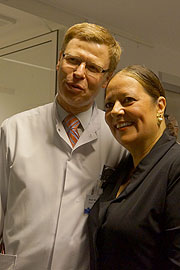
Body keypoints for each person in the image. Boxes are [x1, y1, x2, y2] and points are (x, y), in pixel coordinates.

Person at [0, 22, 127, 270]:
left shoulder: (117, 140)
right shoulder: (14, 129)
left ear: (106, 79)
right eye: (73, 60)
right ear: (59, 61)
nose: (79, 72)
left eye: (92, 67)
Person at [88, 65, 180, 270]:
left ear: (160, 106)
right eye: (109, 104)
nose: (115, 111)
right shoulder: (121, 170)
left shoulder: (174, 167)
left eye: (128, 100)